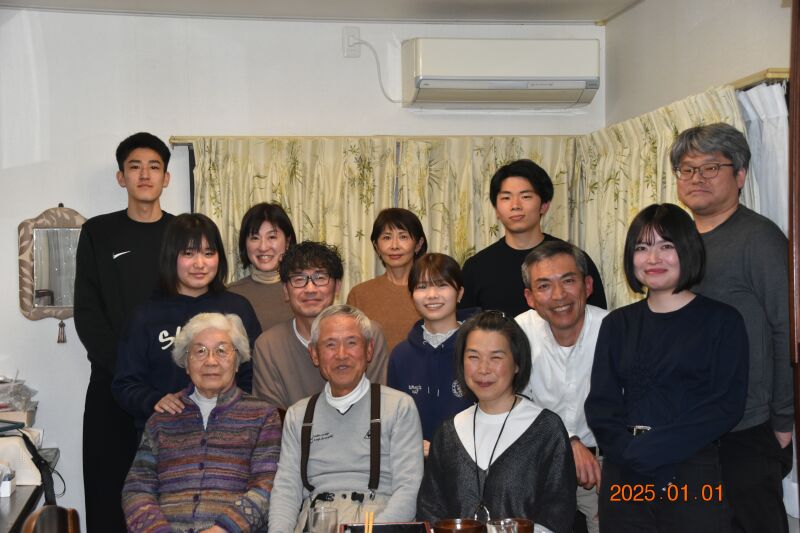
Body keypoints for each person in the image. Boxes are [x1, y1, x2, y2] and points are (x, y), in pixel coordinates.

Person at [585, 203, 748, 533]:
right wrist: (630, 451)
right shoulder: (617, 323)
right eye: (642, 248)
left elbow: (726, 405)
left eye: (666, 246)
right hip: (625, 473)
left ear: (687, 249)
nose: (653, 258)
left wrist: (653, 448)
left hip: (691, 474)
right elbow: (601, 404)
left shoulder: (722, 321)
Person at [671, 123, 793, 533]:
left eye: (710, 168)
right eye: (687, 170)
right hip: (689, 426)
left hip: (747, 427)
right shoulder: (674, 243)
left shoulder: (759, 238)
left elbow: (786, 331)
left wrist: (782, 421)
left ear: (740, 175)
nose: (697, 178)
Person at [74, 132, 174, 532]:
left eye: (154, 167)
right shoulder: (98, 232)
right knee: (108, 498)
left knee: (173, 500)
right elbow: (87, 312)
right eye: (135, 167)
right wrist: (127, 373)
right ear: (121, 177)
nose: (144, 175)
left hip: (172, 392)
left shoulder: (183, 234)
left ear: (167, 178)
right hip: (112, 386)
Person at [269, 305, 424, 533]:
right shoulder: (298, 415)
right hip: (315, 522)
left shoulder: (399, 407)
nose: (341, 354)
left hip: (376, 522)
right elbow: (286, 490)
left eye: (352, 343)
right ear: (314, 353)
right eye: (330, 345)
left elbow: (409, 489)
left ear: (369, 349)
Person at [417, 311, 576, 533]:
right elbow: (430, 511)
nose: (483, 369)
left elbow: (558, 514)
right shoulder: (448, 432)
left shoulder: (546, 429)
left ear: (517, 363)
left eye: (496, 357)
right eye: (473, 357)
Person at [122, 312, 282, 533]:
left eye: (222, 351)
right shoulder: (162, 419)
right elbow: (137, 489)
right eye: (200, 351)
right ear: (186, 363)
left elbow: (267, 486)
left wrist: (223, 529)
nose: (211, 361)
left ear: (237, 361)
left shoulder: (262, 416)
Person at [113, 213, 261, 433]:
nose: (199, 264)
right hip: (167, 434)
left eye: (208, 253)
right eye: (188, 253)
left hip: (231, 432)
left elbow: (253, 374)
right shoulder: (145, 316)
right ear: (171, 256)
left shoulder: (238, 308)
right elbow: (125, 384)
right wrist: (155, 400)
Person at [516, 240, 608, 533]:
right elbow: (512, 404)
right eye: (544, 286)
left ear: (588, 285)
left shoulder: (613, 330)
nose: (558, 295)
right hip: (538, 461)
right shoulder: (517, 333)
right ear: (530, 297)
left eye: (568, 281)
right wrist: (568, 440)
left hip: (603, 462)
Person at [252, 241, 389, 411]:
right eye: (299, 279)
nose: (310, 289)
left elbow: (376, 405)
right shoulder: (268, 345)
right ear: (286, 291)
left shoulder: (368, 332)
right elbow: (272, 417)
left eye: (320, 278)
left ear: (337, 286)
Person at [460, 159, 606, 316]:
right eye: (506, 198)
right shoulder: (476, 267)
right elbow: (465, 325)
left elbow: (597, 319)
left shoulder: (571, 259)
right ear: (496, 209)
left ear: (544, 205)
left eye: (526, 196)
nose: (515, 205)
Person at [388, 253, 475, 455]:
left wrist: (440, 448)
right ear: (411, 296)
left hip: (471, 463)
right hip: (414, 464)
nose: (432, 294)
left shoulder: (477, 350)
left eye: (442, 285)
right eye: (422, 286)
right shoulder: (400, 356)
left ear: (460, 293)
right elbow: (393, 420)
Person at [347, 208, 428, 351]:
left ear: (418, 244)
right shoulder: (360, 294)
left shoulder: (434, 291)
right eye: (387, 237)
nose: (394, 246)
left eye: (403, 237)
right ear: (376, 246)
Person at [228, 202, 296, 331]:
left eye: (272, 237)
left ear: (287, 242)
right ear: (245, 244)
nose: (263, 247)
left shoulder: (303, 289)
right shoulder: (230, 294)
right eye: (255, 238)